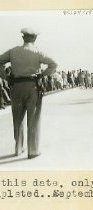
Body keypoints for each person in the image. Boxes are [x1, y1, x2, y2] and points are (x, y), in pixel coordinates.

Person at [0, 28, 57, 158]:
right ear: (35, 39)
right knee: (33, 119)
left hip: (16, 87)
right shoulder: (38, 52)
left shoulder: (13, 51)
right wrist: (42, 74)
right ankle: (33, 150)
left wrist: (6, 77)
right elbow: (53, 64)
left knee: (17, 118)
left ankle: (18, 148)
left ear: (23, 38)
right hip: (33, 87)